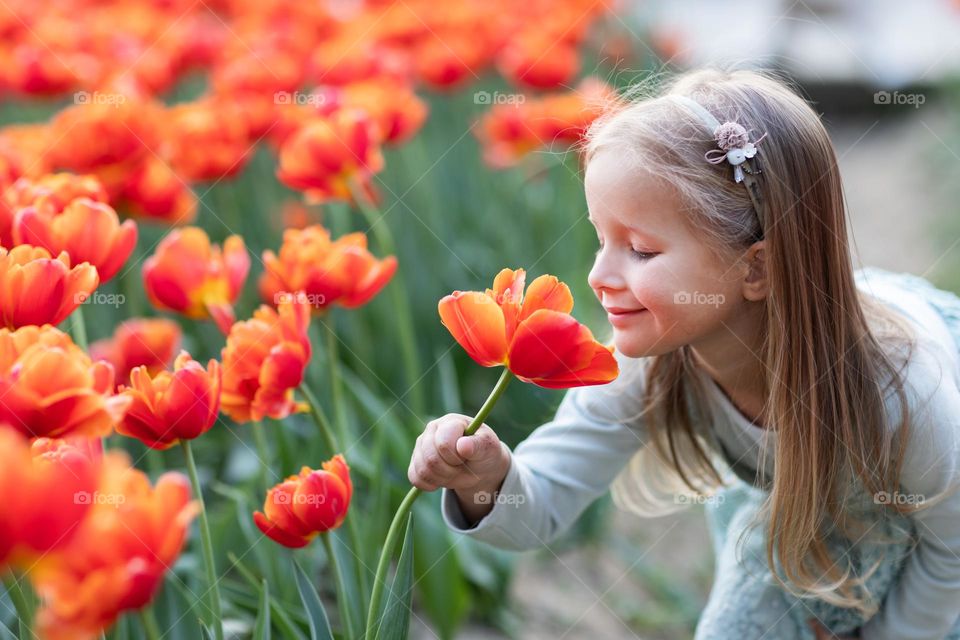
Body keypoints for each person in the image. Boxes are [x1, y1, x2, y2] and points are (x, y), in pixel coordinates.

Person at [407, 67, 960, 640]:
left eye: (641, 250)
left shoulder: (906, 398)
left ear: (756, 268)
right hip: (790, 483)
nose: (599, 276)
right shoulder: (642, 366)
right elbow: (538, 511)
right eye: (602, 239)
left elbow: (952, 549)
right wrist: (487, 477)